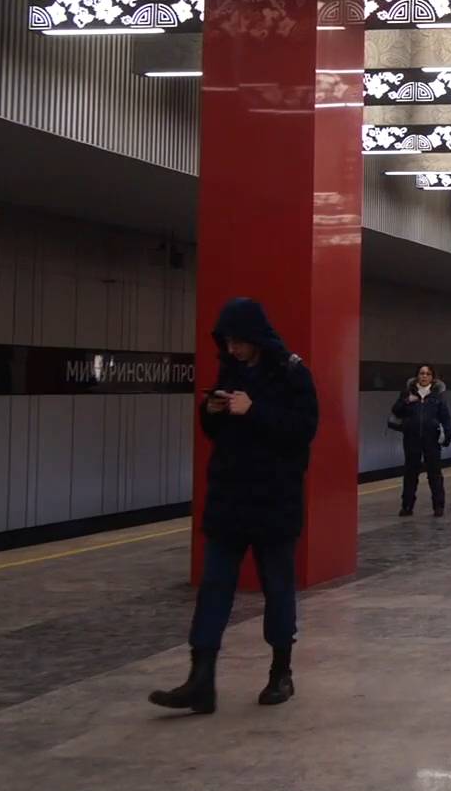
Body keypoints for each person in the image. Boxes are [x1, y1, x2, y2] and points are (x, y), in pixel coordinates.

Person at [150, 298, 317, 715]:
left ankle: (281, 672)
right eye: (227, 342)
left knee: (277, 587)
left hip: (274, 502)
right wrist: (211, 412)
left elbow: (302, 430)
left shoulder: (293, 374)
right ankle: (201, 679)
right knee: (214, 587)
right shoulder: (230, 371)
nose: (232, 349)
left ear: (257, 337)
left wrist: (254, 410)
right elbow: (219, 433)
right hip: (229, 501)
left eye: (239, 341)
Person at [390, 363, 451, 518]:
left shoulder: (437, 396)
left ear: (432, 377)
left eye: (427, 374)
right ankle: (407, 506)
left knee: (434, 473)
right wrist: (407, 401)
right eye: (422, 373)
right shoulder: (408, 393)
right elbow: (396, 410)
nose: (424, 376)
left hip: (432, 439)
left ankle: (438, 506)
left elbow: (445, 417)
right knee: (410, 473)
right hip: (411, 438)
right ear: (417, 376)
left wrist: (448, 436)